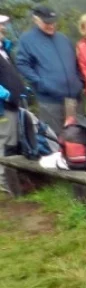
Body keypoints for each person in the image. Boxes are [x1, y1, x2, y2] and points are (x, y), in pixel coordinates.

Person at [15, 6, 82, 136]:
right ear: (36, 20)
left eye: (53, 21)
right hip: (50, 100)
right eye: (47, 22)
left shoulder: (63, 38)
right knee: (55, 138)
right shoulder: (27, 40)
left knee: (77, 137)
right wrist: (41, 83)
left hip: (74, 98)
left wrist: (80, 82)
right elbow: (22, 65)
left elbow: (76, 62)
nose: (51, 25)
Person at [0, 14, 25, 195]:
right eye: (1, 25)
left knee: (13, 140)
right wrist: (4, 93)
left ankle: (13, 176)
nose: (4, 28)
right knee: (3, 141)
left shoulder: (4, 48)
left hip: (14, 103)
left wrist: (21, 88)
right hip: (3, 105)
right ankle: (3, 179)